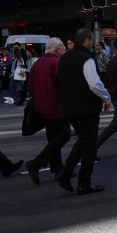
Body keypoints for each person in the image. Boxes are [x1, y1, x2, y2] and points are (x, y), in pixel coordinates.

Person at [56, 28, 112, 195]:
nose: (93, 43)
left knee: (83, 140)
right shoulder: (87, 59)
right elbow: (94, 84)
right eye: (92, 40)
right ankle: (84, 183)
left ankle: (65, 173)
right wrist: (106, 98)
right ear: (87, 40)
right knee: (89, 146)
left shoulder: (65, 57)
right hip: (86, 108)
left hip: (68, 107)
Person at [25, 38, 70, 185]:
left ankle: (58, 169)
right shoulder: (56, 63)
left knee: (53, 138)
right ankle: (36, 164)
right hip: (56, 107)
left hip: (41, 108)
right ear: (57, 49)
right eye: (63, 49)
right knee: (64, 135)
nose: (64, 51)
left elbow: (30, 86)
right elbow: (64, 84)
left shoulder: (37, 63)